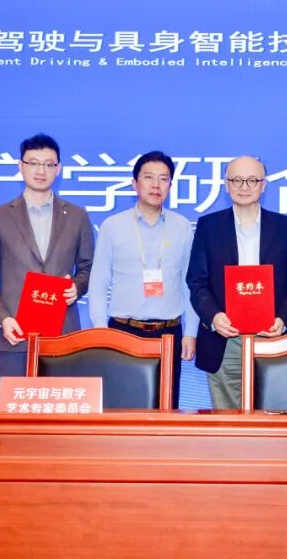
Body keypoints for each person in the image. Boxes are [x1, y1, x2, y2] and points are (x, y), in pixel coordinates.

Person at [186, 156, 287, 409]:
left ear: (264, 185)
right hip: (224, 339)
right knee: (227, 422)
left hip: (272, 336)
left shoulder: (285, 227)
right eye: (237, 180)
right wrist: (214, 316)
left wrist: (282, 318)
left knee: (274, 415)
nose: (244, 186)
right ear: (226, 185)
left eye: (252, 180)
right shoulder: (208, 226)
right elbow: (197, 281)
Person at [0, 133, 94, 377]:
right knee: (18, 402)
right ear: (21, 166)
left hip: (63, 337)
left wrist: (77, 286)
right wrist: (2, 319)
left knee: (60, 402)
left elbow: (89, 267)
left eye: (49, 164)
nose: (41, 170)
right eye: (33, 163)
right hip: (15, 336)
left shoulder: (77, 216)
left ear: (58, 169)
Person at [87, 151, 196, 408]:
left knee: (166, 408)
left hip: (169, 333)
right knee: (121, 407)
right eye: (148, 177)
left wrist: (191, 332)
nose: (156, 185)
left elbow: (189, 284)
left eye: (163, 179)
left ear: (170, 185)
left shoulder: (182, 226)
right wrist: (101, 330)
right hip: (122, 330)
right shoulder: (112, 226)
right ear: (134, 183)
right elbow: (99, 282)